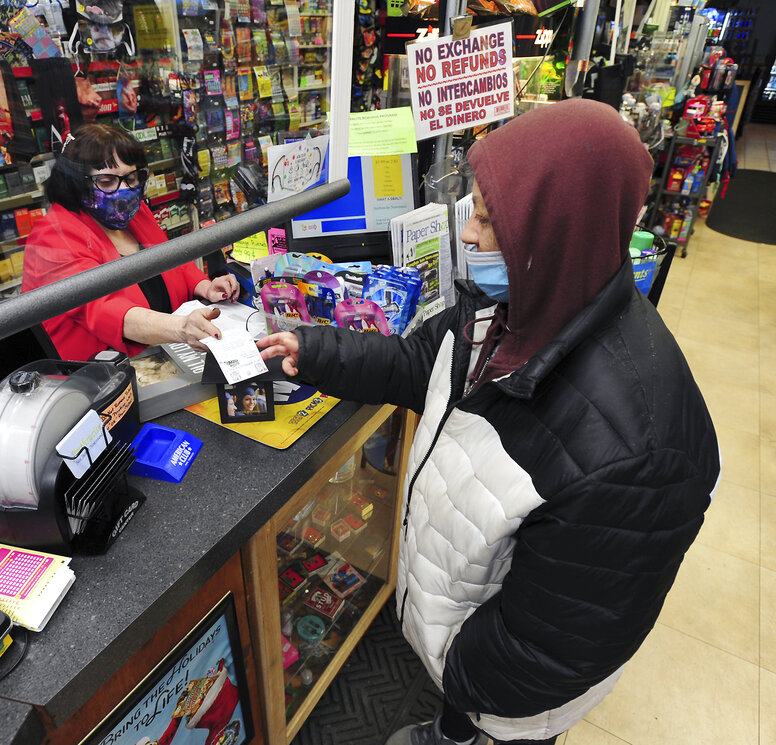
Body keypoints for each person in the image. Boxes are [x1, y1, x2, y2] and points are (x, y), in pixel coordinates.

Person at [257, 99, 721, 745]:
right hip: (462, 644)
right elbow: (425, 361)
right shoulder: (518, 307)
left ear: (556, 228)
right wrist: (315, 350)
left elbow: (550, 651)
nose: (469, 235)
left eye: (488, 218)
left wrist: (463, 674)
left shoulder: (639, 450)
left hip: (505, 700)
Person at [22, 123, 238, 360]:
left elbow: (171, 260)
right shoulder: (53, 237)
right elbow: (104, 310)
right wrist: (180, 328)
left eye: (132, 178)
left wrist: (206, 287)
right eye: (106, 182)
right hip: (97, 376)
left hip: (163, 354)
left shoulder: (133, 213)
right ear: (75, 182)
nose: (124, 190)